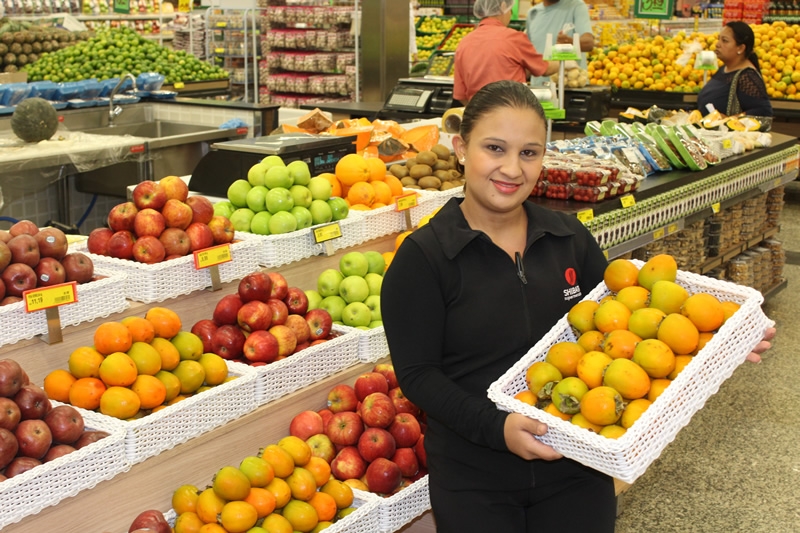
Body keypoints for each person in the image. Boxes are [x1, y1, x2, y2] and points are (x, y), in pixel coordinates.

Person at [381, 79, 775, 532]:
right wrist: (497, 428)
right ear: (461, 149)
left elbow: (624, 324)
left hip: (578, 465)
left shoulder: (568, 239)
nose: (512, 168)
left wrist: (714, 344)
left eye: (529, 153)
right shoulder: (424, 259)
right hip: (474, 477)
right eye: (495, 148)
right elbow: (418, 375)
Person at [452, 0, 558, 105]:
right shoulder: (514, 38)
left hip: (478, 113)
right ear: (503, 6)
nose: (510, 14)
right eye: (510, 9)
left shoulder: (464, 43)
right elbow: (544, 68)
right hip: (512, 111)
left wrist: (480, 110)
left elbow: (460, 95)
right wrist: (562, 62)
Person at [696, 21, 772, 117]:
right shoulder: (724, 69)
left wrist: (730, 120)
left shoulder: (747, 77)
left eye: (725, 41)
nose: (717, 44)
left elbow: (763, 111)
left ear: (740, 48)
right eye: (719, 39)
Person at [526, 0, 595, 72]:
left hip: (569, 77)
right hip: (538, 78)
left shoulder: (576, 5)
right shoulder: (533, 13)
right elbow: (528, 53)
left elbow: (589, 43)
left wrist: (570, 43)